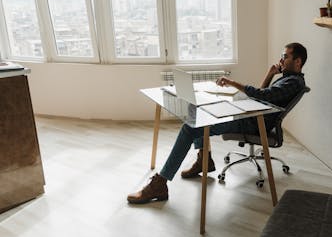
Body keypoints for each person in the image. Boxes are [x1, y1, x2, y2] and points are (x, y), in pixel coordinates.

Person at [127, 42, 308, 204]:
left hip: (252, 122)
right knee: (194, 112)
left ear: (298, 61)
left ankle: (161, 182)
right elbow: (263, 93)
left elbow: (262, 96)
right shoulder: (287, 78)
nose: (281, 60)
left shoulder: (293, 82)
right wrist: (270, 74)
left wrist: (231, 82)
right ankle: (203, 160)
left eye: (285, 56)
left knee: (189, 128)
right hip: (249, 113)